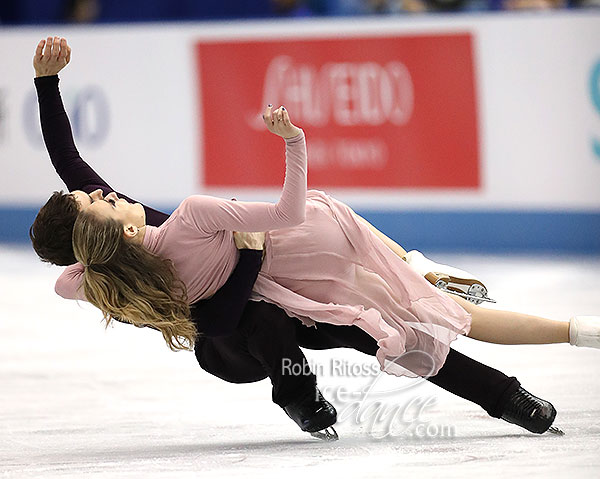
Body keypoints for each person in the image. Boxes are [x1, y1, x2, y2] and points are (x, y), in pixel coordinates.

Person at [30, 37, 578, 438]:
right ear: (107, 231)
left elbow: (68, 162)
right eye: (95, 200)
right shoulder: (116, 285)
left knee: (382, 330)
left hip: (284, 293)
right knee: (257, 318)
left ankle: (504, 395)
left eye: (94, 191)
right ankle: (302, 398)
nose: (102, 191)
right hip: (230, 345)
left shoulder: (120, 236)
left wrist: (46, 82)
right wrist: (246, 256)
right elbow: (216, 320)